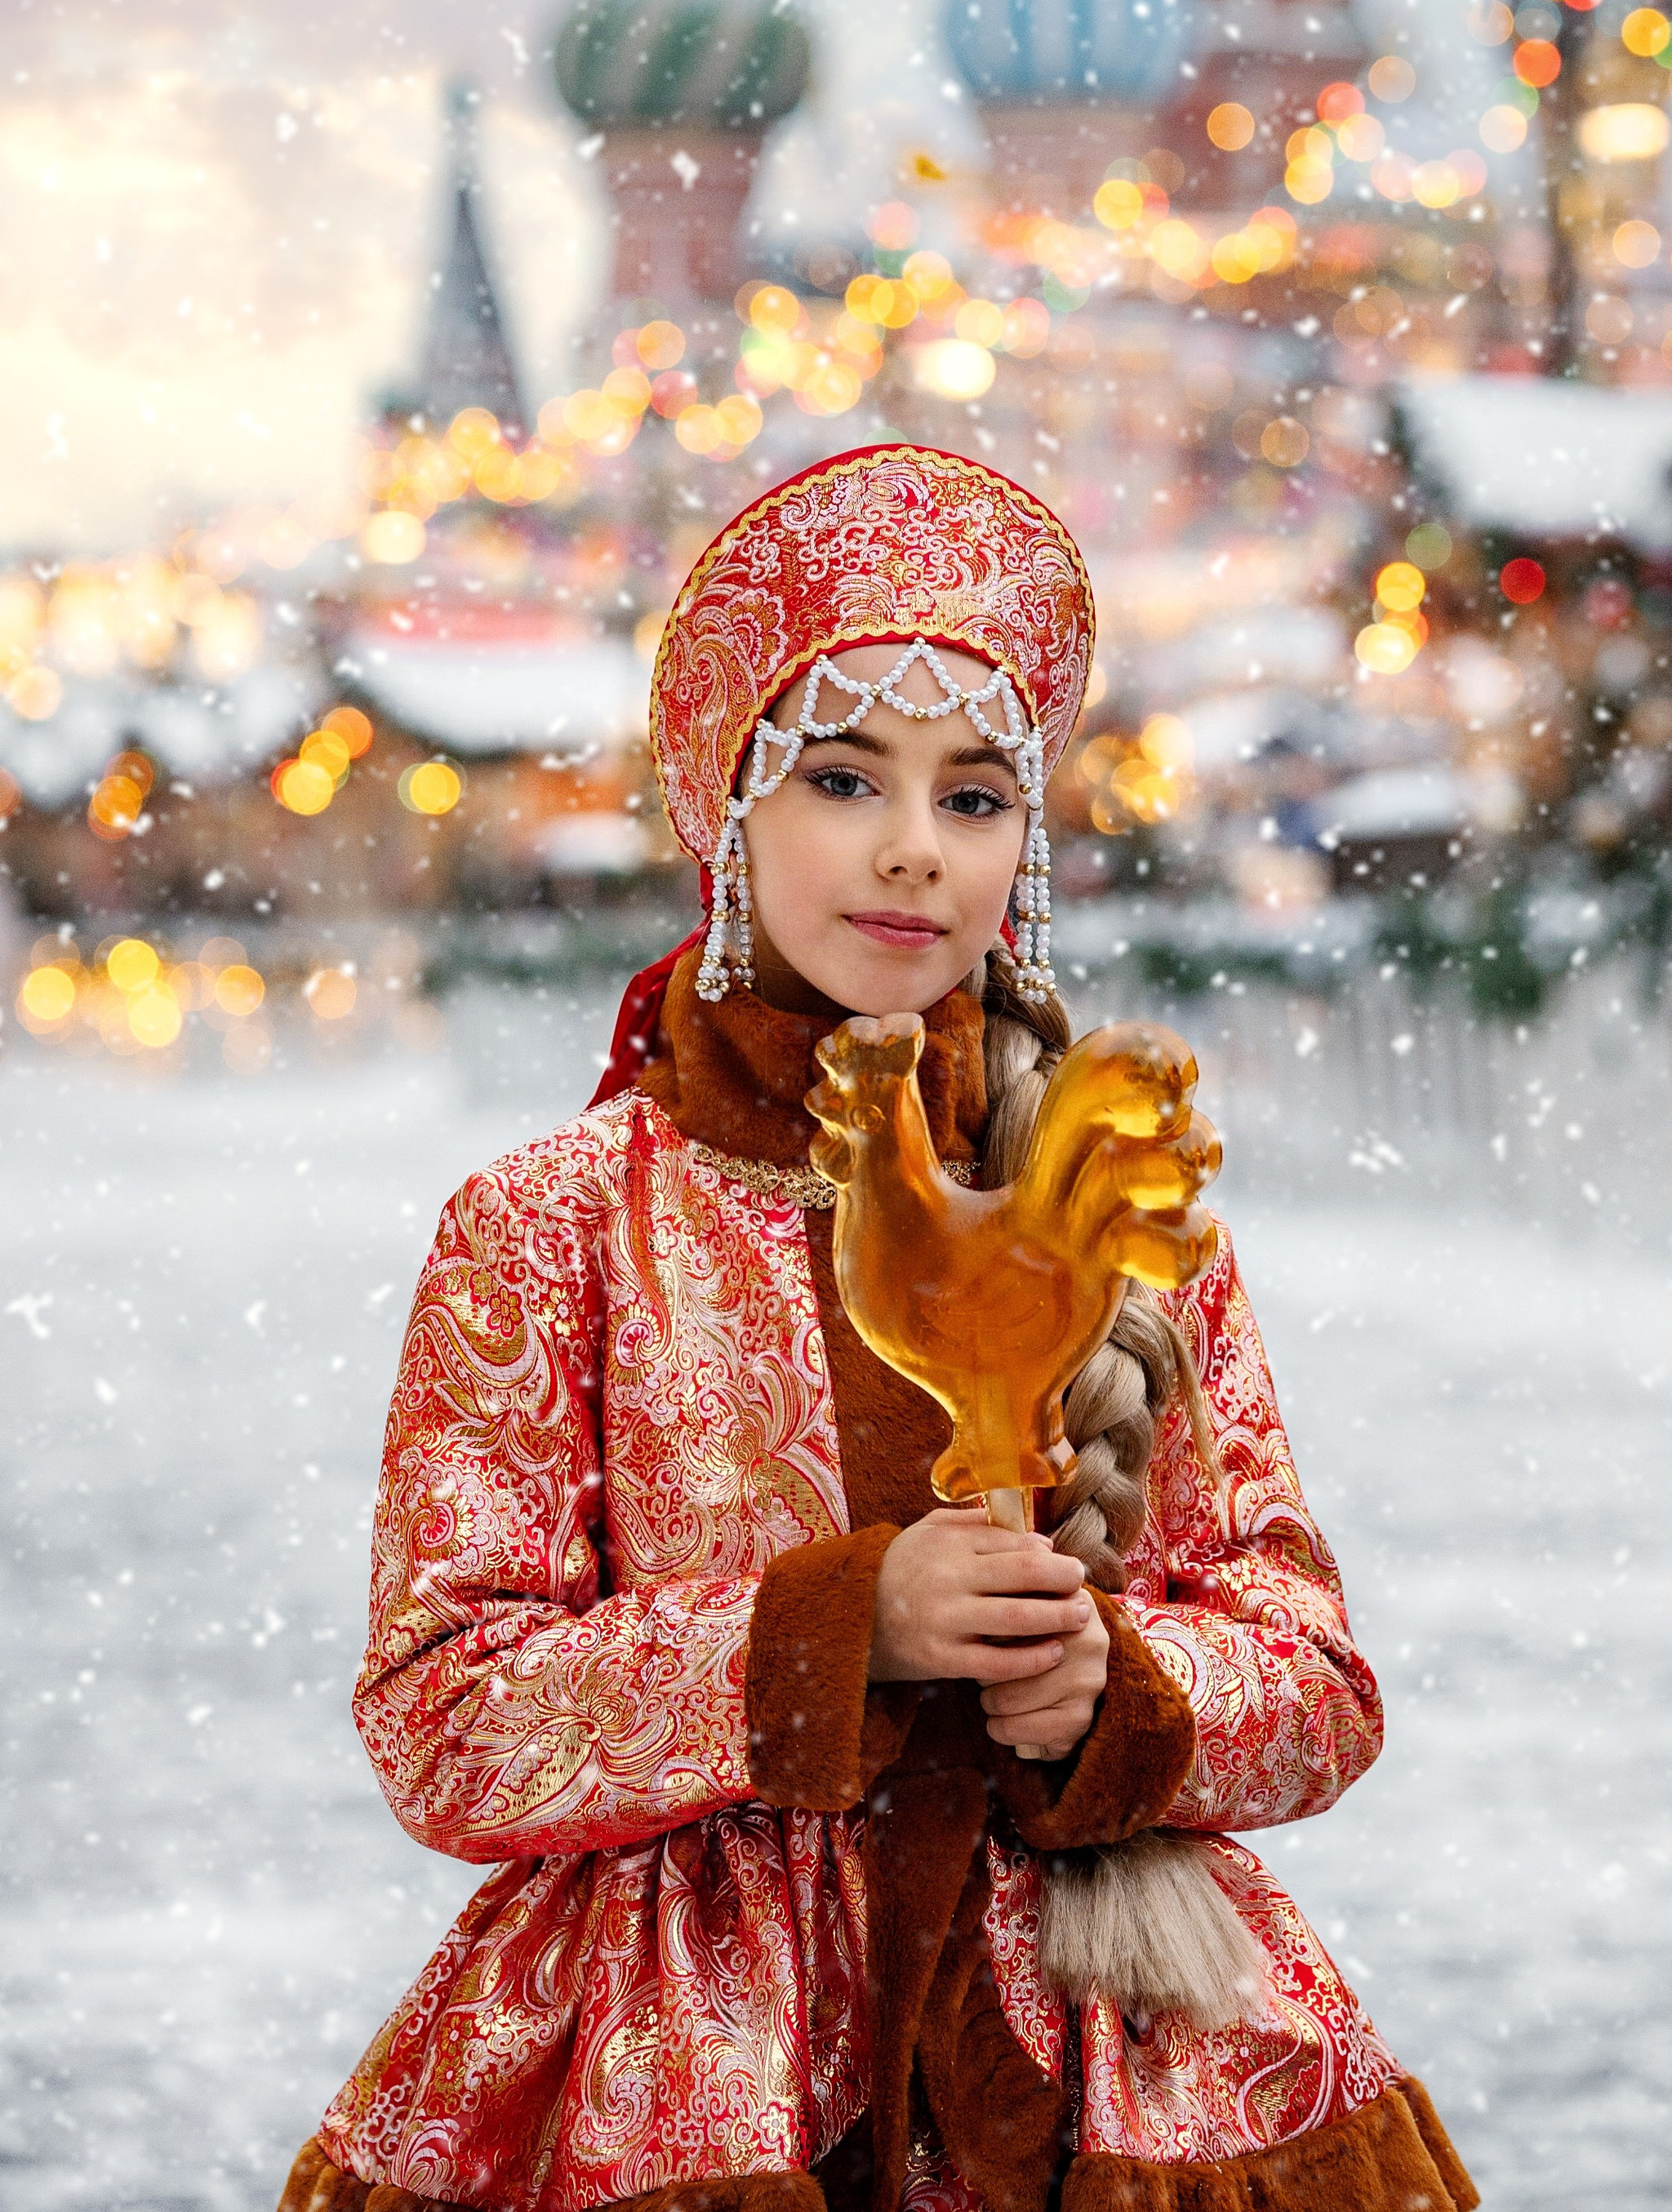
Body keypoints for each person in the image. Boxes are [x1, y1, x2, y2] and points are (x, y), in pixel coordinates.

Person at [278, 443, 1477, 2212]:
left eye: (975, 798)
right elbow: (444, 1720)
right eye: (845, 780)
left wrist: (1116, 1703)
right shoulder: (556, 1228)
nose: (915, 852)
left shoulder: (1120, 1217)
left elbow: (1313, 1681)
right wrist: (833, 1629)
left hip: (1105, 2055)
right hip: (686, 2079)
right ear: (728, 806)